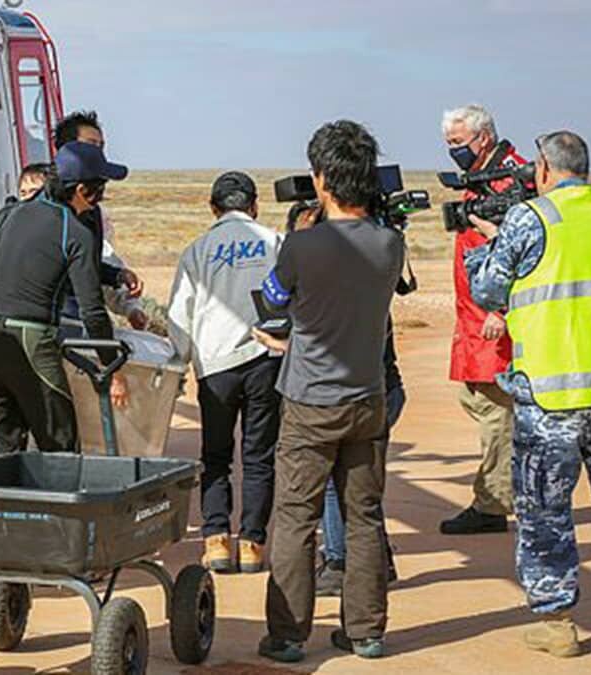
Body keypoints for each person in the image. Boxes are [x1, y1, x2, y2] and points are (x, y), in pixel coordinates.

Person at [253, 120, 403, 662]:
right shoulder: (392, 243)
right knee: (363, 514)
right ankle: (366, 631)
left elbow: (273, 299)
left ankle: (288, 634)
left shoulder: (300, 246)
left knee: (296, 515)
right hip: (368, 399)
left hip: (310, 400)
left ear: (321, 179)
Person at [466, 130, 591, 658]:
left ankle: (557, 624)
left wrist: (486, 242)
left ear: (545, 171)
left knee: (546, 513)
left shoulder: (532, 219)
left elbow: (488, 290)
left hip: (551, 398)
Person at [0, 142, 130, 454]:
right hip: (30, 341)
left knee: (6, 444)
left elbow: (38, 261)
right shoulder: (75, 231)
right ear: (81, 190)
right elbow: (93, 312)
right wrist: (112, 369)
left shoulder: (17, 214)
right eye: (99, 192)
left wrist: (114, 275)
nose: (98, 203)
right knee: (60, 443)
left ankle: (2, 503)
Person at [167, 171, 281, 574]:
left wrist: (176, 365)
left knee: (215, 455)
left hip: (215, 367)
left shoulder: (197, 250)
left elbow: (181, 313)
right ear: (254, 205)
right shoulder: (274, 242)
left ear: (214, 209)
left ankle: (216, 540)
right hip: (266, 359)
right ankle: (252, 542)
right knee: (259, 455)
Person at [439, 104, 528, 535]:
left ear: (484, 137)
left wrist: (502, 309)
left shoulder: (508, 182)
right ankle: (510, 485)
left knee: (496, 408)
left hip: (492, 319)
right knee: (477, 399)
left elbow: (521, 248)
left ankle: (493, 502)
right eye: (449, 144)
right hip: (475, 318)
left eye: (458, 142)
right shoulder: (486, 175)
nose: (453, 151)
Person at [52, 111, 152, 331]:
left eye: (100, 145)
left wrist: (119, 281)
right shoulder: (41, 206)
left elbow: (91, 262)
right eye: (90, 144)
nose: (97, 151)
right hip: (48, 321)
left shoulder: (92, 211)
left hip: (77, 321)